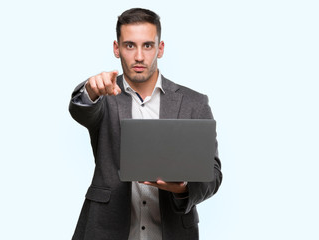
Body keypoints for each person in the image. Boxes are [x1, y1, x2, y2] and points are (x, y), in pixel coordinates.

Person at [69, 8, 222, 240]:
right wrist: (90, 91)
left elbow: (213, 173)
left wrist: (183, 190)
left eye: (147, 45)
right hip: (106, 229)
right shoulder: (103, 96)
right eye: (130, 45)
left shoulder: (194, 103)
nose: (139, 56)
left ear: (160, 49)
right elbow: (82, 110)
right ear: (116, 48)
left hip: (172, 231)